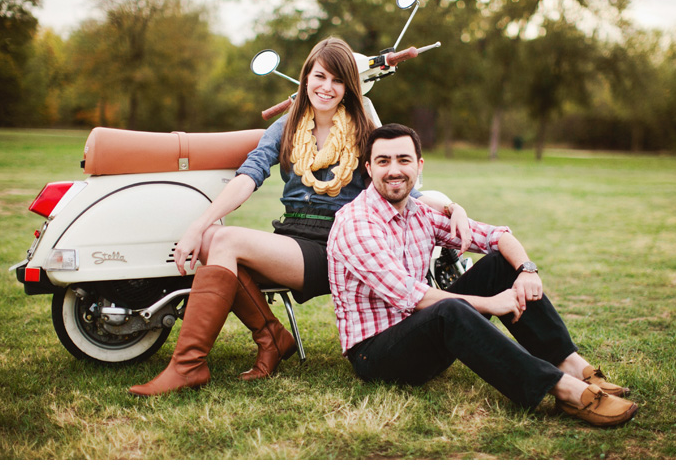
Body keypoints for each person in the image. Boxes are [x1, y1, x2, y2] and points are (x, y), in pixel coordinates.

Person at [129, 39, 472, 397]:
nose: (326, 87)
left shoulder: (363, 130)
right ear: (305, 77)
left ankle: (188, 366)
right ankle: (272, 339)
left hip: (339, 245)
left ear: (348, 87)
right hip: (292, 236)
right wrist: (198, 225)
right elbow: (250, 175)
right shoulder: (288, 125)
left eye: (338, 80)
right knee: (209, 239)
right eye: (320, 76)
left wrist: (451, 208)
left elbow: (404, 191)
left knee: (225, 240)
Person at [327, 123, 638, 427]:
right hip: (376, 355)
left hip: (419, 331)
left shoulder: (419, 213)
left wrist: (527, 270)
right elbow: (412, 295)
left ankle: (570, 364)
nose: (394, 170)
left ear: (419, 166)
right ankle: (564, 390)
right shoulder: (357, 223)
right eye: (383, 161)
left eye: (403, 160)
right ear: (368, 168)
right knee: (448, 311)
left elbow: (496, 236)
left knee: (500, 263)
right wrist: (491, 304)